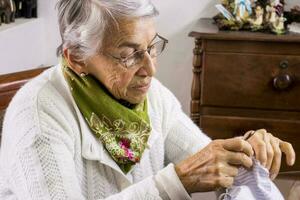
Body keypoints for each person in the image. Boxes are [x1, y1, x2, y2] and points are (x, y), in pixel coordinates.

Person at [0, 0, 295, 199]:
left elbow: (208, 161)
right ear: (77, 57)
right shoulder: (38, 113)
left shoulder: (151, 97)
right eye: (129, 55)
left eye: (152, 47)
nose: (150, 69)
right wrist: (174, 182)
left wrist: (247, 152)